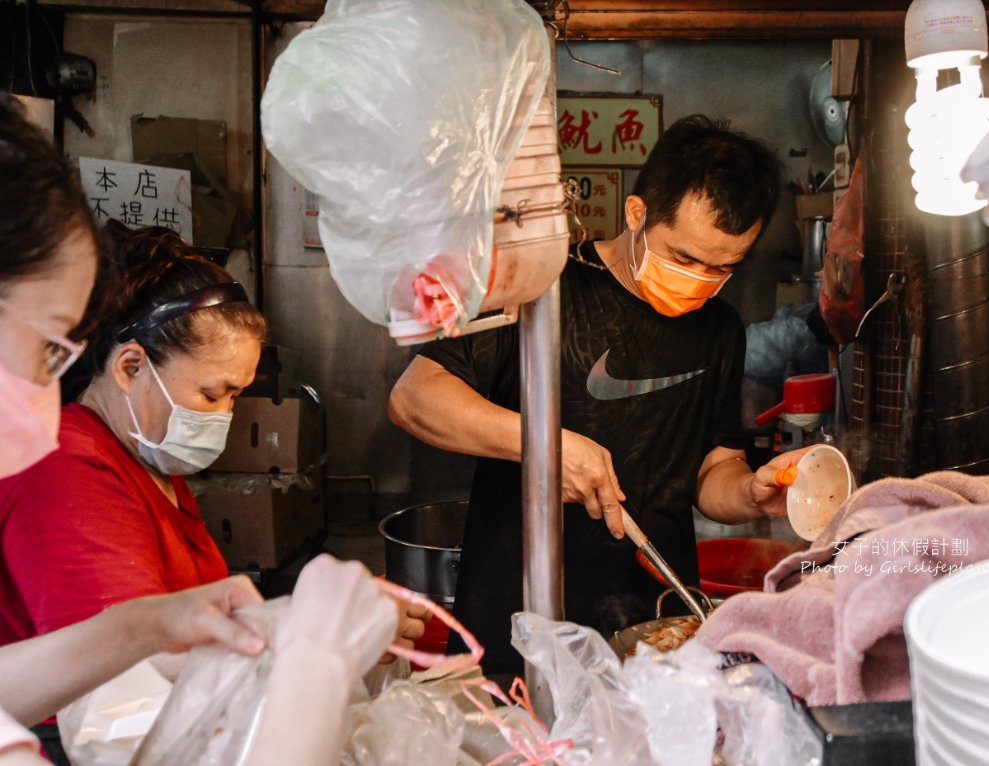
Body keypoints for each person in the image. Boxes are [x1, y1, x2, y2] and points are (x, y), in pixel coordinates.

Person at [0, 94, 397, 766]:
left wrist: (155, 625)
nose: (45, 402)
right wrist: (310, 673)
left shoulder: (152, 471)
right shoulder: (71, 471)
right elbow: (111, 728)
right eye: (47, 352)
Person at [389, 114, 809, 674]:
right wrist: (546, 448)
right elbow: (414, 397)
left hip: (655, 622)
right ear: (637, 215)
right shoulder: (544, 287)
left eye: (722, 268)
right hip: (518, 609)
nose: (700, 280)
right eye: (683, 258)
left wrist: (749, 493)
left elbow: (712, 471)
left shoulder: (720, 329)